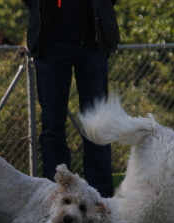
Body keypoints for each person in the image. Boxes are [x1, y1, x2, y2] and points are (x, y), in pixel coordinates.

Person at [22, 0, 120, 197]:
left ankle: (100, 198)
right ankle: (57, 194)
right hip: (49, 42)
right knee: (51, 126)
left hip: (93, 41)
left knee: (97, 125)